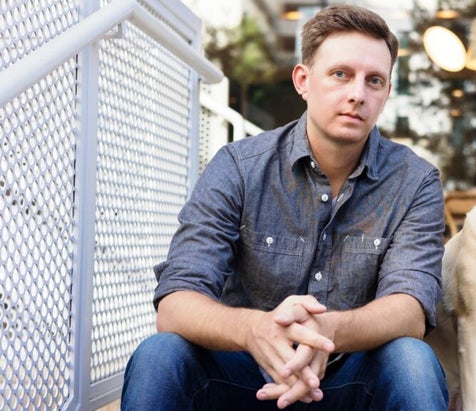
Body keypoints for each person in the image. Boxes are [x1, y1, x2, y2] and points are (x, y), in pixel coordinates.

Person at [121, 4, 448, 410]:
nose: (357, 94)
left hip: (345, 383)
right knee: (160, 355)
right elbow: (175, 304)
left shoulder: (415, 181)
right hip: (244, 379)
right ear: (303, 80)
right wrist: (254, 330)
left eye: (374, 81)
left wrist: (326, 331)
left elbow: (410, 311)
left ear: (386, 94)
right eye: (340, 74)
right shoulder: (239, 167)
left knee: (412, 361)